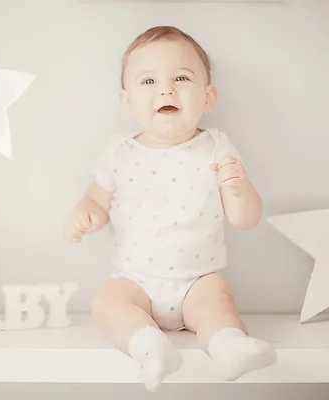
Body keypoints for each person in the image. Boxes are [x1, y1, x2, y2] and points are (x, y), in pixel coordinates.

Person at [64, 26, 277, 391]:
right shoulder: (119, 152)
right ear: (126, 101)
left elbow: (245, 220)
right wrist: (86, 213)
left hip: (198, 280)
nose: (166, 89)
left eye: (181, 77)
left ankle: (228, 347)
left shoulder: (216, 146)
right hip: (135, 282)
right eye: (148, 81)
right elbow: (96, 200)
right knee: (106, 303)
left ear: (208, 97)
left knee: (218, 303)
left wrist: (240, 191)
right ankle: (149, 347)